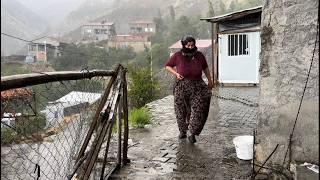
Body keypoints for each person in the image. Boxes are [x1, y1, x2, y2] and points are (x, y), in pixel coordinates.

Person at [165, 35, 213, 143]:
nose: (191, 47)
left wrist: (210, 80)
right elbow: (168, 66)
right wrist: (176, 73)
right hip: (181, 86)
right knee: (180, 110)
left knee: (198, 109)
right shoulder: (177, 56)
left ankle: (192, 132)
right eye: (188, 45)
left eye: (193, 45)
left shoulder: (199, 55)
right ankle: (182, 131)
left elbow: (205, 68)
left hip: (197, 86)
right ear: (184, 45)